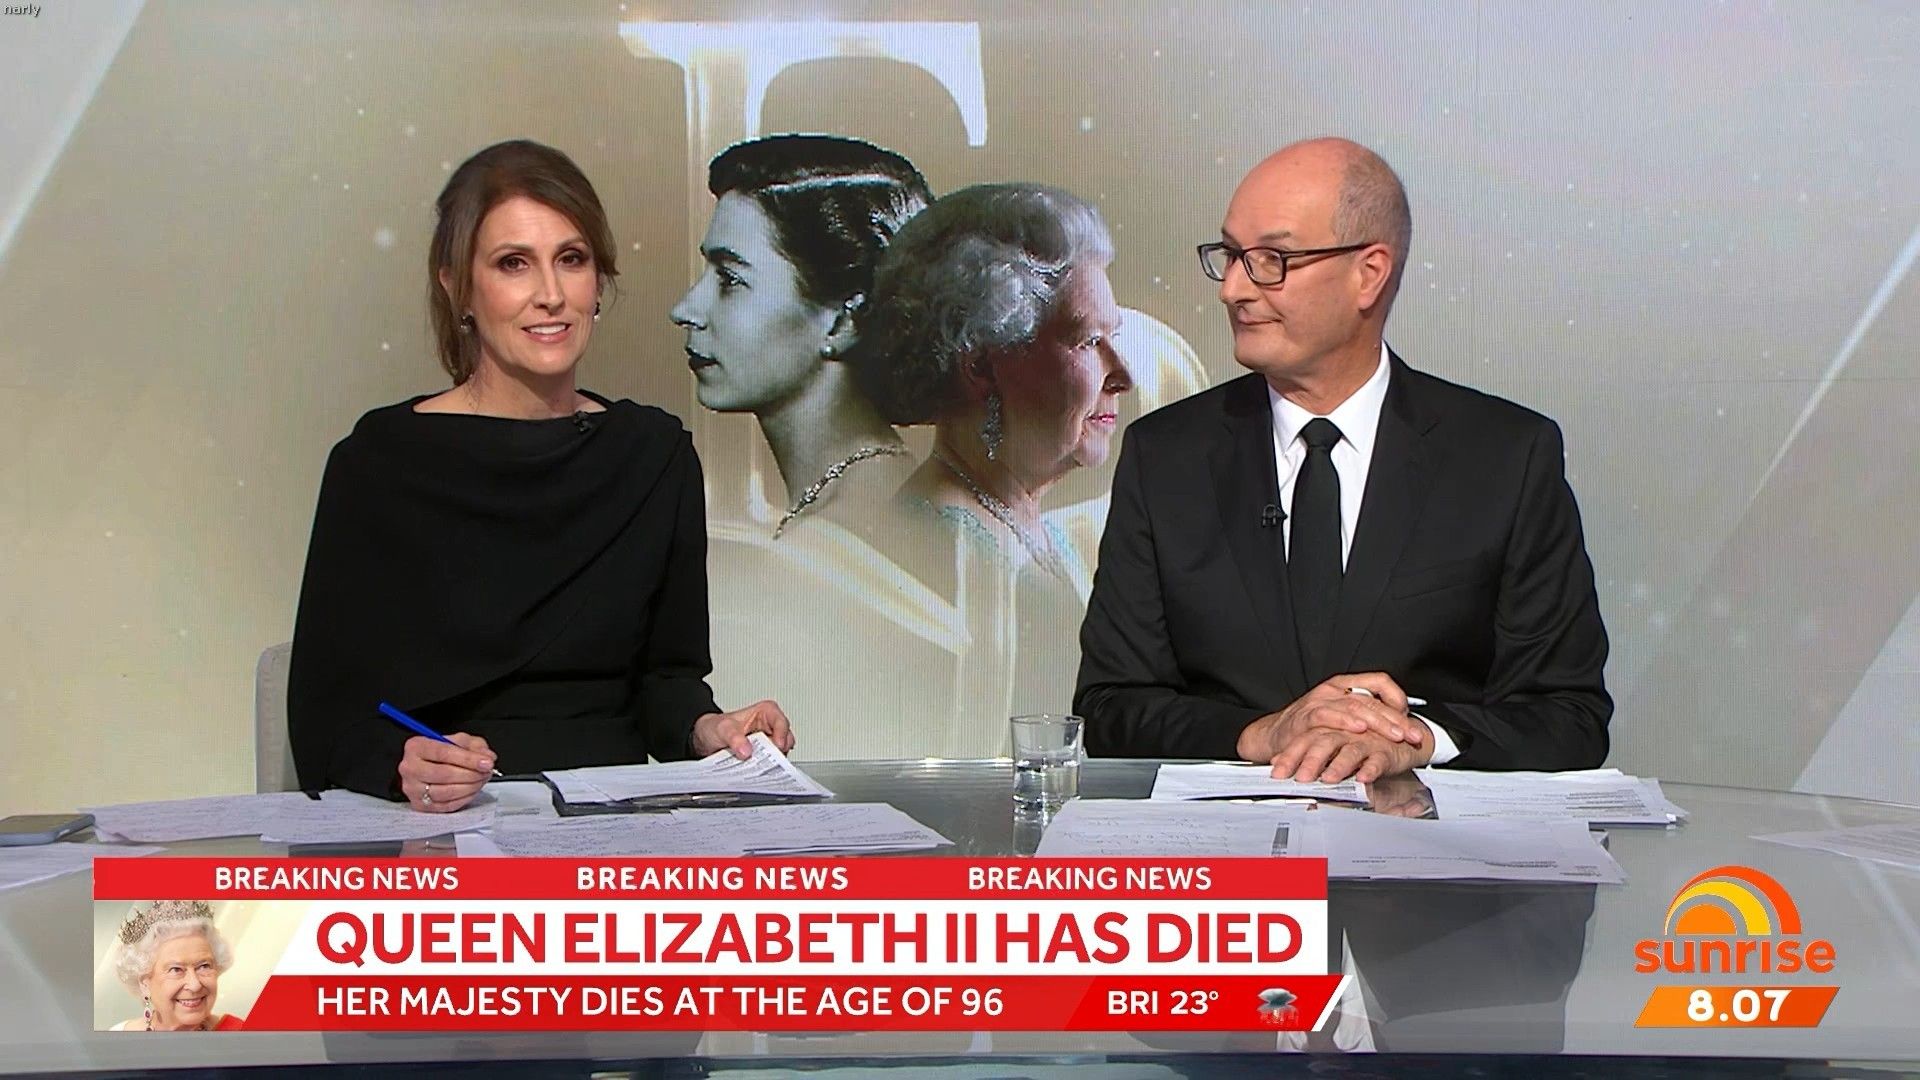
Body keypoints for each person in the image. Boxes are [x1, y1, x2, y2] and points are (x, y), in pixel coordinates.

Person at [1074, 137, 1610, 779]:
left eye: (1271, 260)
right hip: (1234, 837)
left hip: (1424, 836)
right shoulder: (1166, 456)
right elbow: (1109, 708)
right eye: (1231, 256)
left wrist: (1419, 739)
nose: (1234, 289)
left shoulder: (1506, 457)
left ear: (1369, 273)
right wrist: (1261, 733)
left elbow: (1568, 717)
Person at [288, 139, 792, 811]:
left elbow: (665, 684)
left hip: (609, 827)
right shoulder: (379, 462)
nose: (550, 296)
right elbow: (326, 716)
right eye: (513, 264)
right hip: (437, 823)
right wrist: (402, 764)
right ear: (457, 287)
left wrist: (710, 730)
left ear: (597, 283)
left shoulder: (654, 456)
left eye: (571, 260)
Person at [851, 183, 1134, 587]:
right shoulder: (944, 550)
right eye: (1089, 341)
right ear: (982, 367)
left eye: (1113, 337)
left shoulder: (1035, 533)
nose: (1123, 377)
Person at [670, 134, 931, 538]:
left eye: (730, 279)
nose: (685, 310)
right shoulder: (879, 488)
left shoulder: (830, 537)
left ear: (843, 322)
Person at [110, 901, 244, 1031]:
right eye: (176, 969)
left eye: (204, 966)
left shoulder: (240, 1032)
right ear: (144, 984)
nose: (195, 985)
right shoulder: (117, 1036)